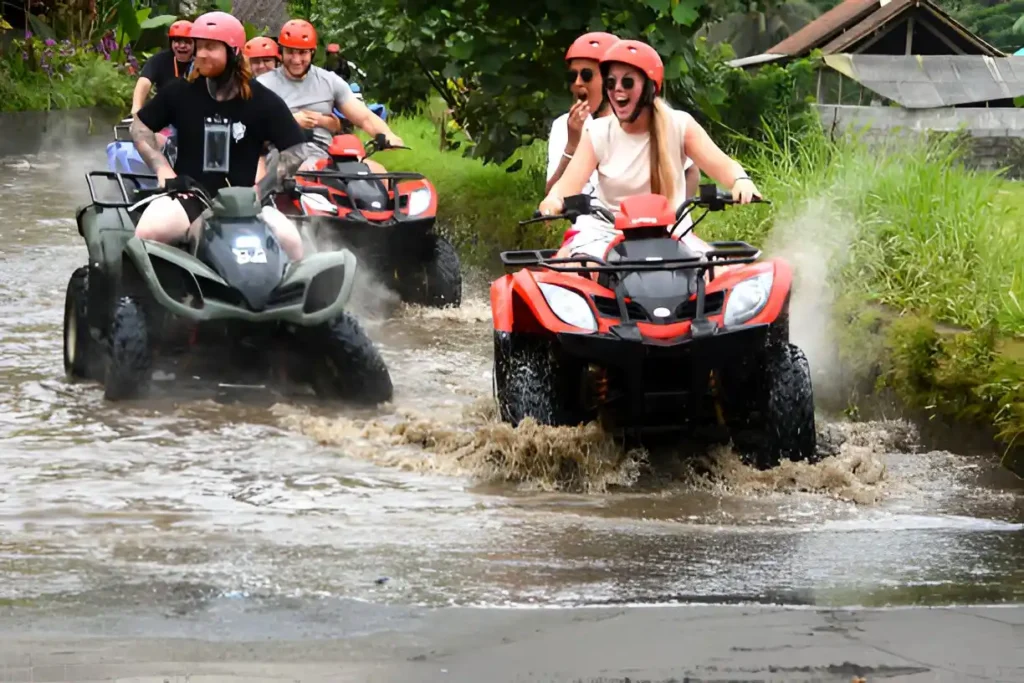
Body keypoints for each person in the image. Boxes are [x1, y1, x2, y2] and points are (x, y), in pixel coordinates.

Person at [538, 39, 759, 262]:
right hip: (606, 234)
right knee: (581, 272)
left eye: (627, 82)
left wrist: (740, 181)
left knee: (716, 272)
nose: (617, 89)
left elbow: (723, 165)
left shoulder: (679, 125)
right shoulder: (597, 132)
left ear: (649, 88)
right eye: (611, 82)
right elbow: (566, 187)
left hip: (671, 234)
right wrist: (553, 202)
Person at [130, 11, 319, 262]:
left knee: (291, 242)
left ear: (233, 52)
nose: (200, 54)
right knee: (147, 232)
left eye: (210, 47)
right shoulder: (180, 92)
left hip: (245, 203)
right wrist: (162, 168)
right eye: (198, 47)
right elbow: (139, 127)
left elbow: (296, 149)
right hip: (190, 196)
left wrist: (262, 189)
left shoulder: (263, 101)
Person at [547, 32, 698, 199]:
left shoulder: (646, 120)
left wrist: (678, 209)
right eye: (572, 76)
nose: (577, 83)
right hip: (591, 214)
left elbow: (690, 170)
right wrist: (571, 146)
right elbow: (552, 195)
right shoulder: (564, 125)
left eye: (587, 75)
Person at [255, 19, 402, 176]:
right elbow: (249, 127)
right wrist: (288, 122)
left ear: (312, 52)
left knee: (379, 174)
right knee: (305, 170)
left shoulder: (330, 81)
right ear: (281, 52)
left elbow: (364, 117)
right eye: (290, 52)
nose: (296, 60)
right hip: (283, 154)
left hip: (329, 155)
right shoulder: (263, 85)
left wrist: (387, 134)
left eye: (302, 53)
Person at [131, 20, 194, 116]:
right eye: (177, 41)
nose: (182, 46)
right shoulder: (159, 59)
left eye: (187, 42)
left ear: (195, 43)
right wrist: (136, 108)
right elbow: (144, 82)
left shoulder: (202, 61)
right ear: (171, 42)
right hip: (165, 113)